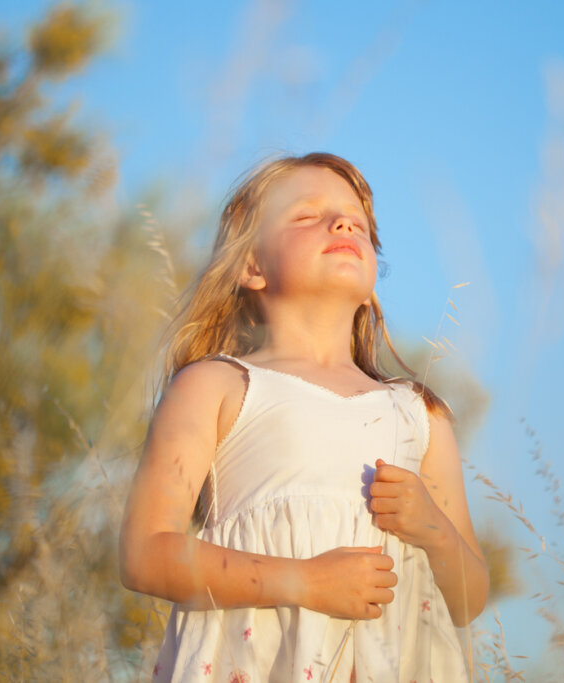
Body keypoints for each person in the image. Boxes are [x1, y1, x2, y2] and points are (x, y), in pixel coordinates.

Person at [119, 153, 488, 682]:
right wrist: (304, 583)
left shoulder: (418, 412)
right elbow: (144, 553)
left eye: (356, 222)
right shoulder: (218, 385)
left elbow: (468, 599)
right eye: (306, 215)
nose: (341, 223)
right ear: (251, 266)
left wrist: (433, 528)